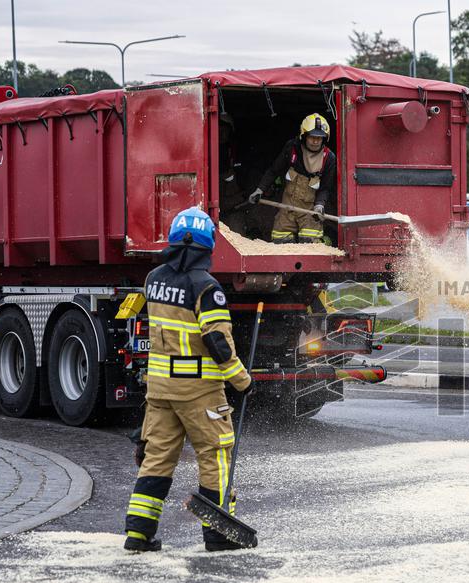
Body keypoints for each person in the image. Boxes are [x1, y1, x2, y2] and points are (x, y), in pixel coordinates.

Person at [123, 207, 252, 553]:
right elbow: (217, 342)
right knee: (215, 457)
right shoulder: (206, 287)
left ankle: (138, 534)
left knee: (156, 458)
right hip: (199, 392)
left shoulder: (154, 280)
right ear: (207, 247)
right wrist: (242, 380)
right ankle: (218, 534)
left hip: (160, 389)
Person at [249, 113, 336, 245]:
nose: (315, 141)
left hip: (310, 212)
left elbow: (326, 187)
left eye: (320, 138)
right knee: (280, 241)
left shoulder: (329, 158)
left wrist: (319, 205)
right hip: (286, 208)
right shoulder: (292, 148)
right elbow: (274, 170)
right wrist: (259, 190)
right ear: (304, 136)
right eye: (312, 137)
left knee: (310, 244)